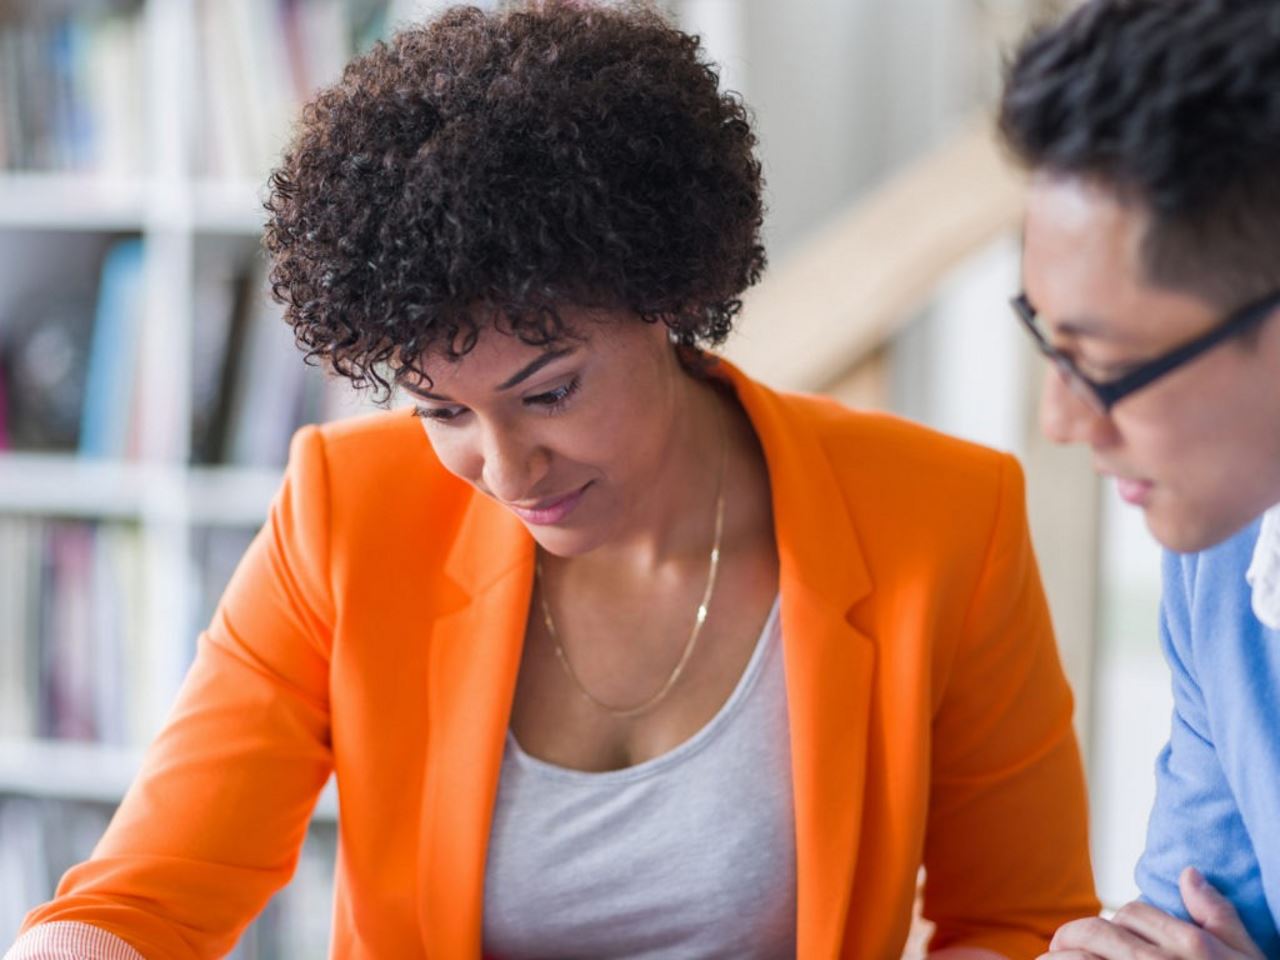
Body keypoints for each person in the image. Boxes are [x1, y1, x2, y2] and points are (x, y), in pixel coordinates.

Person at [8, 3, 1097, 958]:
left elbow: (1019, 921)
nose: (506, 469)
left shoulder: (943, 515)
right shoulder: (344, 510)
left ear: (667, 298)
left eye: (549, 392)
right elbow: (148, 900)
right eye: (442, 411)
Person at [998, 0, 1280, 956]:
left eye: (1104, 365)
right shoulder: (1227, 559)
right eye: (1048, 338)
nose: (1061, 421)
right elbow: (1184, 921)